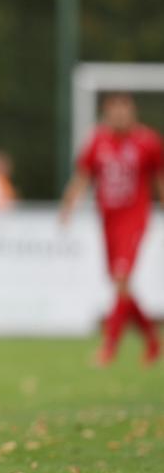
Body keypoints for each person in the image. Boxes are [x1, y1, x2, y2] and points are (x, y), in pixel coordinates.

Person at [60, 92, 164, 366]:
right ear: (106, 113)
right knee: (121, 285)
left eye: (124, 110)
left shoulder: (148, 141)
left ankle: (109, 347)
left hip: (135, 218)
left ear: (133, 112)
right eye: (114, 110)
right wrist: (68, 205)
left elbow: (159, 179)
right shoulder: (98, 141)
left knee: (121, 278)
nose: (119, 115)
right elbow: (83, 176)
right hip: (107, 220)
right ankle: (153, 340)